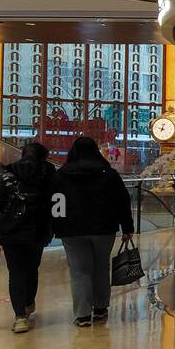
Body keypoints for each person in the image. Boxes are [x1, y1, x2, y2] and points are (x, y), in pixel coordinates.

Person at [53, 136, 134, 327]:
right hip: (103, 229)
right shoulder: (109, 174)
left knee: (79, 271)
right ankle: (100, 309)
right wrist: (127, 227)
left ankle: (82, 315)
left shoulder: (62, 175)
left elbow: (56, 201)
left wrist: (57, 225)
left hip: (72, 230)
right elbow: (122, 201)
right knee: (100, 267)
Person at [0, 142, 58, 333]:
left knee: (16, 272)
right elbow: (57, 202)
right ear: (43, 157)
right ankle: (29, 302)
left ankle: (20, 316)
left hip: (9, 231)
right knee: (32, 268)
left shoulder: (7, 176)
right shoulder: (49, 176)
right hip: (38, 231)